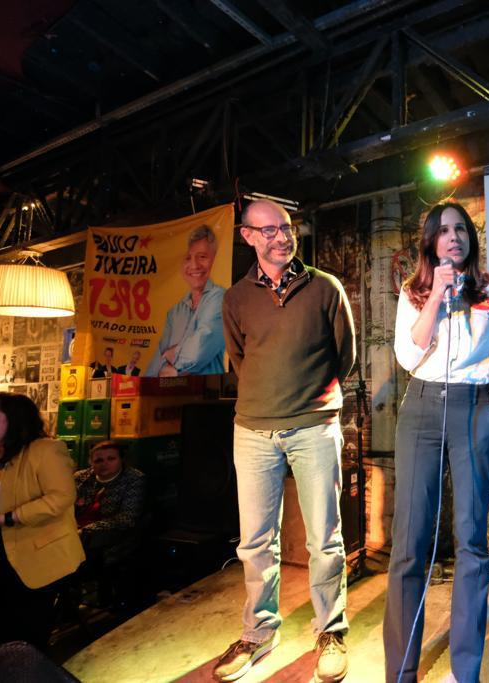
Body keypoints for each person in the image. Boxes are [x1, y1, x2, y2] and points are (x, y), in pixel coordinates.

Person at [218, 199, 356, 683]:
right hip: (253, 430)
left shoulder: (325, 287)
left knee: (325, 539)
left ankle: (330, 630)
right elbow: (239, 358)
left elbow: (345, 356)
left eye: (287, 227)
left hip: (314, 425)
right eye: (270, 230)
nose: (282, 236)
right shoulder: (236, 298)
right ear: (247, 236)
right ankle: (259, 632)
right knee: (255, 542)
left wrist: (311, 398)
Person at [383, 202, 489, 683]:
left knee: (472, 541)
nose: (453, 236)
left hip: (475, 408)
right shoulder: (413, 291)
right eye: (443, 230)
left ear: (471, 238)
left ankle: (466, 671)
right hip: (420, 407)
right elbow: (408, 354)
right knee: (409, 542)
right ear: (430, 241)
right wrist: (437, 295)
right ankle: (401, 672)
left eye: (461, 229)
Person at [0, 393, 84, 648]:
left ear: (14, 419)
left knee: (25, 628)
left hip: (34, 552)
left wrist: (9, 517)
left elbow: (61, 497)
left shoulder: (45, 450)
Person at [146, 224, 226, 377]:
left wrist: (174, 354)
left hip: (208, 389)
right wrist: (175, 356)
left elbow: (199, 351)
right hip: (173, 390)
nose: (194, 265)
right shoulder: (174, 312)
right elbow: (156, 364)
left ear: (214, 259)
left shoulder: (220, 298)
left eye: (202, 257)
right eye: (188, 258)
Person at [74, 440, 146, 605]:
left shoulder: (134, 479)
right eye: (98, 460)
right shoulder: (80, 477)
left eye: (111, 459)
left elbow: (127, 518)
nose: (104, 464)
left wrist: (86, 530)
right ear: (91, 462)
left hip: (107, 534)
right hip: (73, 529)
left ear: (121, 459)